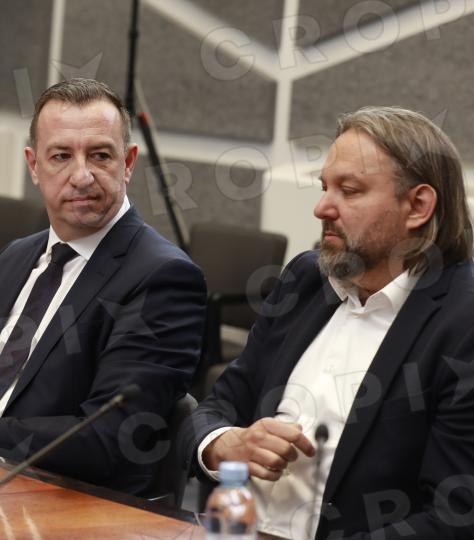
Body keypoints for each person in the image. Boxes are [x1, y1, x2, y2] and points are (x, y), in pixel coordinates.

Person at [0, 78, 206, 495]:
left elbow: (107, 439)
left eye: (100, 156)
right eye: (61, 156)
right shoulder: (14, 258)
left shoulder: (164, 277)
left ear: (128, 162)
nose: (82, 176)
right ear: (34, 166)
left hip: (65, 498)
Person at [181, 106, 474, 539]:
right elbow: (219, 404)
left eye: (349, 191)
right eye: (324, 187)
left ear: (418, 206)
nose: (321, 208)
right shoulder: (305, 279)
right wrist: (223, 444)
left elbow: (455, 515)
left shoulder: (461, 321)